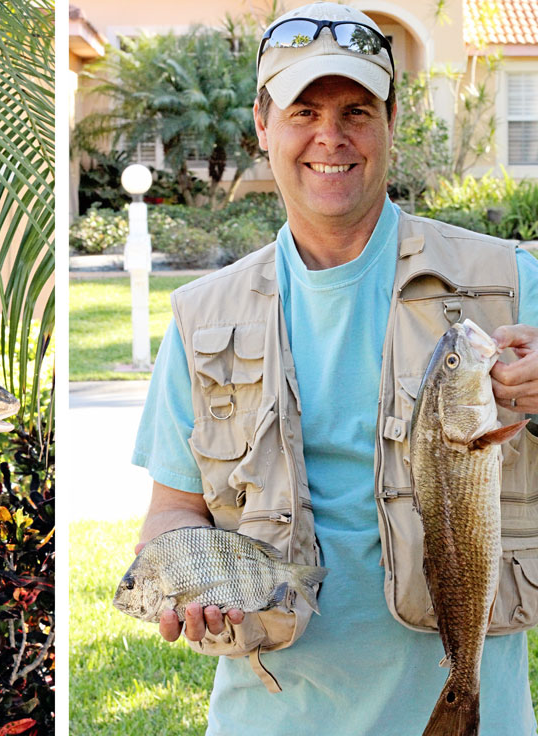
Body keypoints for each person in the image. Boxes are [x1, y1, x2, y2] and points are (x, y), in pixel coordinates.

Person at [131, 2, 538, 733]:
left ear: (391, 121)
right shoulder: (203, 317)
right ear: (262, 125)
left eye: (356, 110)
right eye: (303, 111)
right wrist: (179, 573)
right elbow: (173, 507)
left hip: (476, 713)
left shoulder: (507, 281)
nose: (331, 136)